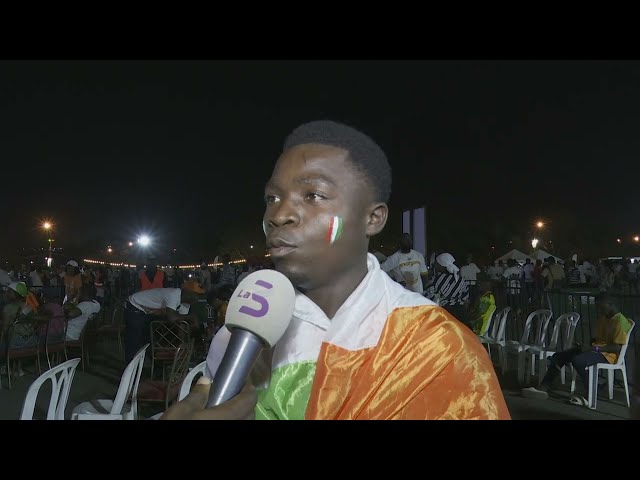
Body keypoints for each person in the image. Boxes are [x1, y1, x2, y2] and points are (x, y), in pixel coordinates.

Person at [162, 120, 509, 420]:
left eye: (313, 195)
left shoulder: (440, 350)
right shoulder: (239, 337)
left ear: (372, 218)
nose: (279, 215)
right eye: (272, 198)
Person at [522, 294, 632, 406]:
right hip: (596, 350)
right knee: (559, 356)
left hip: (608, 355)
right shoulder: (605, 318)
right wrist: (587, 345)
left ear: (610, 304)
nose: (599, 310)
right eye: (598, 307)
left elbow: (618, 347)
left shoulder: (620, 321)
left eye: (601, 307)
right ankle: (543, 387)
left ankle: (590, 392)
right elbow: (600, 339)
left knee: (578, 360)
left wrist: (594, 348)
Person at [123, 280, 204, 363]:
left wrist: (183, 343)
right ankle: (129, 370)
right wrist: (191, 317)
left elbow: (181, 324)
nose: (196, 298)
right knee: (135, 340)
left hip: (145, 311)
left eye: (199, 295)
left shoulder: (186, 304)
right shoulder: (174, 294)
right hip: (134, 306)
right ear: (187, 291)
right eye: (195, 295)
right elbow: (172, 318)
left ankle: (147, 367)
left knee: (148, 340)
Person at [424, 253, 471, 329]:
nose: (435, 265)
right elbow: (466, 299)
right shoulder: (460, 279)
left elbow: (429, 297)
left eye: (437, 264)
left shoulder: (435, 279)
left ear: (441, 265)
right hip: (460, 313)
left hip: (444, 313)